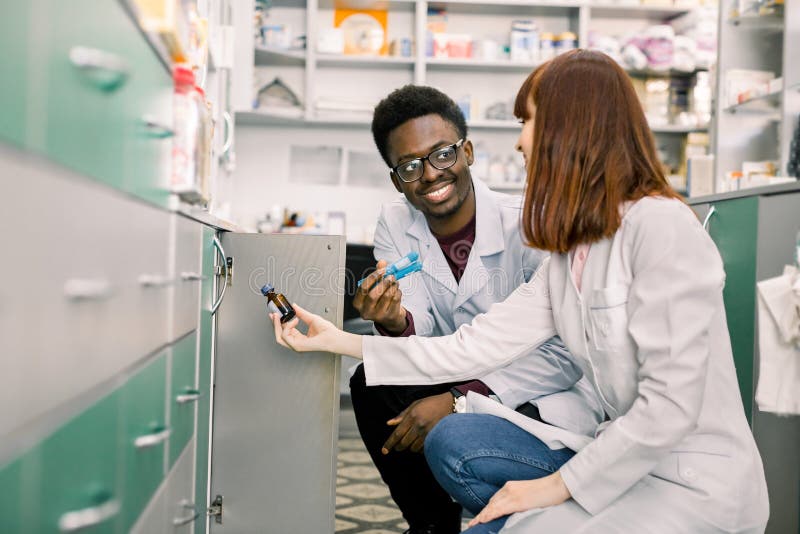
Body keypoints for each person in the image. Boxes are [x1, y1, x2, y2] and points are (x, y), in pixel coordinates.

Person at [271, 50, 769, 533]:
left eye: (527, 123)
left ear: (573, 128)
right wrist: (334, 338)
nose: (520, 143)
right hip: (624, 469)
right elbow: (472, 346)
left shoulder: (661, 226)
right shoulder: (576, 247)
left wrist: (555, 486)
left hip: (694, 485)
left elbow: (669, 409)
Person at [349, 85, 603, 534]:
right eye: (410, 166)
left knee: (455, 440)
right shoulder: (395, 222)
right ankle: (431, 524)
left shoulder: (528, 223)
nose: (429, 174)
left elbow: (563, 356)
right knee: (370, 380)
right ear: (396, 178)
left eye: (442, 155)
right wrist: (392, 319)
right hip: (449, 367)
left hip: (533, 392)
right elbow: (420, 324)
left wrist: (461, 400)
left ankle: (534, 511)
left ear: (466, 152)